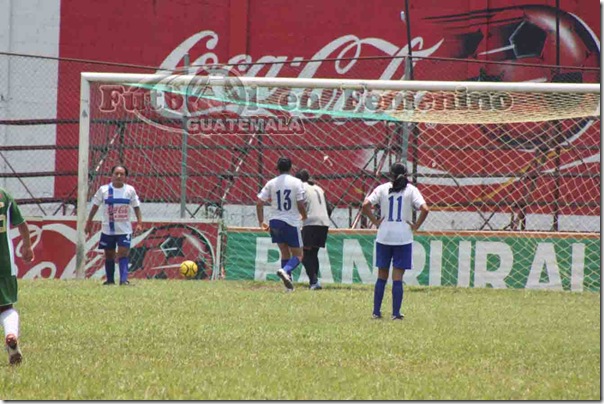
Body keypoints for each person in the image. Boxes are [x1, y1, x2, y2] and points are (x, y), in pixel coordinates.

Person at [362, 162, 429, 320]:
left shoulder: (382, 188)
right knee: (397, 277)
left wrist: (375, 221)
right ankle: (395, 313)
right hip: (402, 238)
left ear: (390, 175)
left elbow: (365, 204)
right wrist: (416, 226)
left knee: (381, 275)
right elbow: (425, 209)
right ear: (406, 174)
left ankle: (376, 312)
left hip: (384, 236)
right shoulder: (411, 190)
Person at [85, 165, 143, 286]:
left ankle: (123, 280)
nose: (119, 176)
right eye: (116, 173)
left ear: (125, 176)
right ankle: (110, 280)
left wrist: (139, 223)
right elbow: (95, 206)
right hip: (108, 230)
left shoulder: (130, 190)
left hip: (124, 230)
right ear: (111, 175)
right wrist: (89, 222)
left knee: (123, 253)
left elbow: (136, 207)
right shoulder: (103, 190)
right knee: (109, 254)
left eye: (121, 174)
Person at [256, 157, 307, 291]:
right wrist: (304, 216)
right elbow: (301, 203)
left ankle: (288, 288)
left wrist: (261, 221)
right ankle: (285, 270)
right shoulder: (297, 182)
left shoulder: (271, 183)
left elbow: (259, 202)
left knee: (285, 253)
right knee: (298, 255)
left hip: (275, 222)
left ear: (277, 169)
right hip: (291, 222)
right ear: (291, 168)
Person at [0, 187, 35, 365]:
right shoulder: (4, 195)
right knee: (6, 307)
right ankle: (10, 335)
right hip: (4, 262)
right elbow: (21, 224)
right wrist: (28, 246)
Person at [295, 169, 332, 290]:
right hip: (324, 222)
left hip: (311, 222)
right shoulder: (319, 188)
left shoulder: (301, 188)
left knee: (304, 253)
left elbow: (299, 205)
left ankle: (314, 281)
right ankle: (314, 281)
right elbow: (329, 207)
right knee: (313, 253)